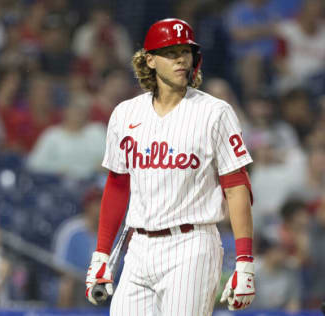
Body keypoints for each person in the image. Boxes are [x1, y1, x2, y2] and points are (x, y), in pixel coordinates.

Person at [85, 18, 255, 315]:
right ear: (149, 60)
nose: (180, 59)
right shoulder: (125, 113)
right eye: (171, 52)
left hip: (191, 245)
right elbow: (117, 184)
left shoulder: (215, 112)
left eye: (185, 51)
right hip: (138, 247)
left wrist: (244, 261)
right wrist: (101, 254)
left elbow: (236, 186)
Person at [53, 186, 101, 307]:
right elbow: (59, 266)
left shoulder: (116, 233)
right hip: (79, 283)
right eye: (97, 203)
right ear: (88, 206)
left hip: (107, 283)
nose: (102, 207)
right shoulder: (71, 231)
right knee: (66, 285)